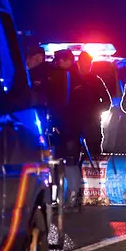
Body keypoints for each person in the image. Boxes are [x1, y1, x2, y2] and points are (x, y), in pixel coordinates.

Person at [48, 49, 83, 210]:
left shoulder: (67, 76)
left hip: (67, 126)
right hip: (71, 125)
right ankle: (71, 195)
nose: (57, 63)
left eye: (59, 60)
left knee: (68, 161)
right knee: (69, 161)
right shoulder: (77, 76)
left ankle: (72, 196)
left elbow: (62, 103)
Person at [70, 50, 111, 157]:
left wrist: (95, 111)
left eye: (89, 63)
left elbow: (107, 102)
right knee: (74, 155)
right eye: (85, 62)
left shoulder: (96, 80)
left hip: (93, 125)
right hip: (75, 124)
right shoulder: (72, 79)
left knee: (95, 154)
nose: (87, 66)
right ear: (79, 62)